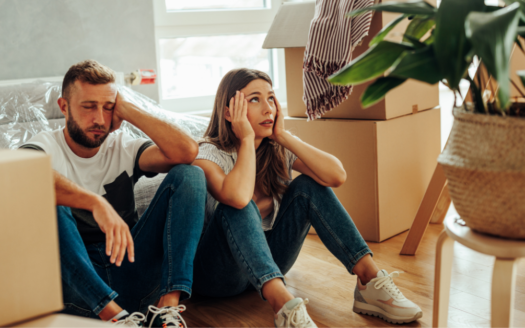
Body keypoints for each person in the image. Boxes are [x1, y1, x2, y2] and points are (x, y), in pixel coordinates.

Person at [192, 68, 423, 327]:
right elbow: (237, 197)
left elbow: (336, 175)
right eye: (254, 99)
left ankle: (369, 280)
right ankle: (284, 306)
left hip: (272, 265)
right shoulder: (208, 153)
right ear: (228, 112)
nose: (268, 109)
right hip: (218, 275)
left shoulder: (276, 148)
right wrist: (246, 139)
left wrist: (283, 136)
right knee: (240, 204)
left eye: (271, 98)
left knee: (308, 185)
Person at [20, 60, 206, 327]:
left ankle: (168, 310)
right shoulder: (44, 146)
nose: (99, 119)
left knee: (191, 175)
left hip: (132, 272)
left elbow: (186, 152)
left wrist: (128, 109)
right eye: (88, 107)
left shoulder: (123, 147)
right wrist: (95, 202)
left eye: (108, 108)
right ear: (64, 107)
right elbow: (22, 176)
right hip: (77, 287)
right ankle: (116, 319)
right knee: (46, 195)